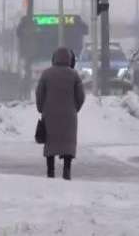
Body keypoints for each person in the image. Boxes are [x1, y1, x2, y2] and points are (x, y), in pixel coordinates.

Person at [36, 46, 85, 180]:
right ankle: (67, 170)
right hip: (69, 116)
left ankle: (50, 170)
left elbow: (39, 93)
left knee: (50, 143)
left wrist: (41, 108)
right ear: (69, 59)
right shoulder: (74, 75)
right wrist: (75, 108)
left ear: (54, 58)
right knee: (67, 143)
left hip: (50, 115)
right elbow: (81, 96)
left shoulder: (46, 74)